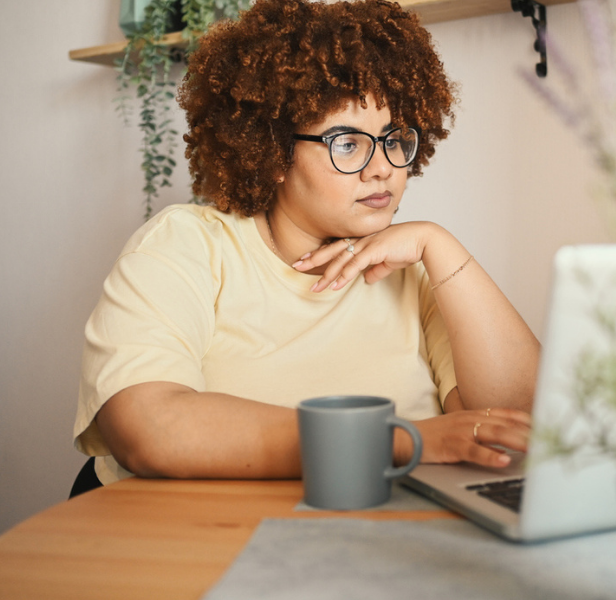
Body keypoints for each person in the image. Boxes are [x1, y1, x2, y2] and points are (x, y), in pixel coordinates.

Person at [73, 0, 541, 487]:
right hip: (206, 543)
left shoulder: (414, 270)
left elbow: (513, 424)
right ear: (274, 152)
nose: (383, 167)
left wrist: (441, 246)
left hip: (381, 538)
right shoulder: (187, 246)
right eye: (347, 143)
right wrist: (402, 438)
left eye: (395, 139)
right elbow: (148, 426)